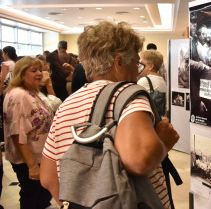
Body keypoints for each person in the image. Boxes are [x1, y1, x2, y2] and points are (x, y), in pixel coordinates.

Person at [40, 21, 179, 208]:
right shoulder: (129, 94)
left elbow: (48, 177)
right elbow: (140, 160)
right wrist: (163, 142)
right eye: (136, 63)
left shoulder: (66, 105)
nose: (138, 72)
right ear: (119, 62)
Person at [3, 57, 53, 208]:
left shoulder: (30, 91)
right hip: (29, 158)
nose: (39, 73)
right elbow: (17, 133)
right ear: (21, 74)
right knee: (32, 196)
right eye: (33, 70)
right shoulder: (20, 95)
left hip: (38, 155)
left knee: (40, 195)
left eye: (40, 69)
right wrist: (32, 166)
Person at [137, 50, 167, 117]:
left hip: (148, 119)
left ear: (151, 66)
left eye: (142, 63)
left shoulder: (145, 81)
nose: (139, 65)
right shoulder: (161, 80)